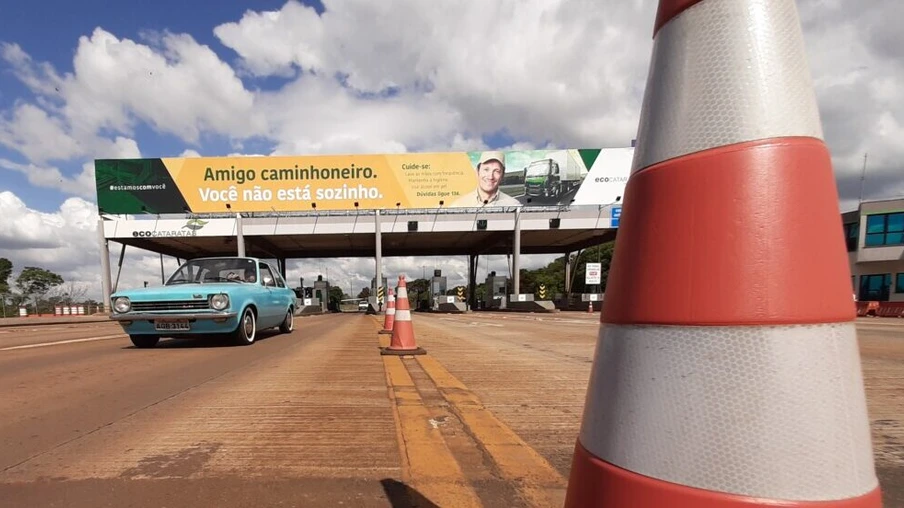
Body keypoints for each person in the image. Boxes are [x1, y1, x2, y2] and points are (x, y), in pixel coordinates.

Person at [450, 151, 522, 207]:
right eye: (486, 169)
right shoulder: (458, 205)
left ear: (502, 175)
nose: (490, 176)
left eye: (496, 171)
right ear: (477, 172)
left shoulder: (514, 206)